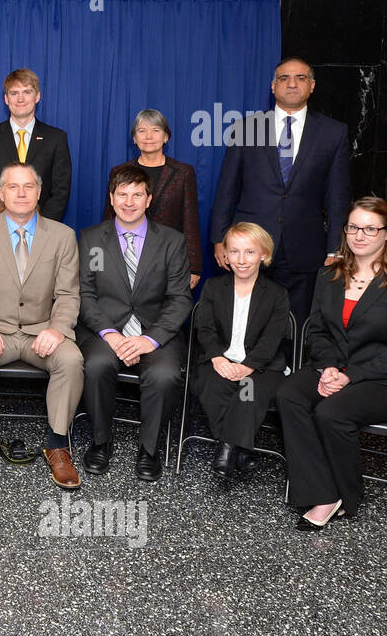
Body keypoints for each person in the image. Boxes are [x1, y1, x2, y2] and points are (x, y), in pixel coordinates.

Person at [278, 197, 387, 530]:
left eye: (370, 228)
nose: (359, 235)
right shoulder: (329, 276)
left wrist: (349, 376)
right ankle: (322, 492)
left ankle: (348, 494)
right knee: (289, 393)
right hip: (334, 369)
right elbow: (315, 330)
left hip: (386, 381)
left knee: (331, 412)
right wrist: (331, 367)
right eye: (352, 227)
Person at [0, 164, 83, 487]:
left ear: (39, 192)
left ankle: (57, 444)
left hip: (42, 330)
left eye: (28, 186)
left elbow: (68, 294)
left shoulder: (63, 236)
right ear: (1, 193)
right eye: (13, 187)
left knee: (71, 360)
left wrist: (57, 329)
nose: (21, 193)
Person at [211, 56, 351, 323]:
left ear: (312, 86)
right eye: (284, 78)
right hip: (249, 242)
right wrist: (220, 239)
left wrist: (336, 249)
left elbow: (338, 197)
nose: (292, 84)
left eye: (300, 78)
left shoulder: (333, 133)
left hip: (304, 243)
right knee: (246, 313)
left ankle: (289, 364)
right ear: (273, 87)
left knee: (295, 316)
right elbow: (227, 188)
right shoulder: (246, 128)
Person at [78, 163, 191, 480]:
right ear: (111, 199)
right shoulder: (91, 239)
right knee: (96, 366)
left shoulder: (171, 241)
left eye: (137, 195)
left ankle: (150, 449)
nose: (129, 202)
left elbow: (180, 298)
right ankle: (101, 441)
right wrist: (111, 334)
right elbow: (85, 293)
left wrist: (148, 339)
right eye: (122, 194)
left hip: (155, 333)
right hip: (105, 331)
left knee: (165, 374)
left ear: (149, 199)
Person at [192, 223, 291, 479]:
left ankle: (226, 451)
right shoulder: (214, 287)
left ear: (263, 255)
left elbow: (271, 339)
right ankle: (243, 448)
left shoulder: (277, 294)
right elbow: (204, 327)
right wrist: (216, 357)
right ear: (226, 255)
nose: (241, 259)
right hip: (219, 358)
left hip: (261, 365)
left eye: (249, 252)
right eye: (234, 252)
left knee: (247, 392)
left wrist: (248, 365)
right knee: (213, 387)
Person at [103, 109, 202, 289]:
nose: (149, 136)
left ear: (166, 136)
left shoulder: (183, 173)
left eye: (156, 130)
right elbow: (109, 218)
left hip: (168, 259)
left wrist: (193, 266)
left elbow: (190, 220)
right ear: (134, 138)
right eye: (142, 131)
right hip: (128, 257)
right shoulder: (119, 172)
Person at [0, 68, 72, 221]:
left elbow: (61, 190)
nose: (20, 99)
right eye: (14, 93)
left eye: (27, 92)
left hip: (44, 229)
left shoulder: (56, 138)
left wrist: (41, 225)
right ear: (6, 99)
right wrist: (4, 221)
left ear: (37, 96)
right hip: (0, 226)